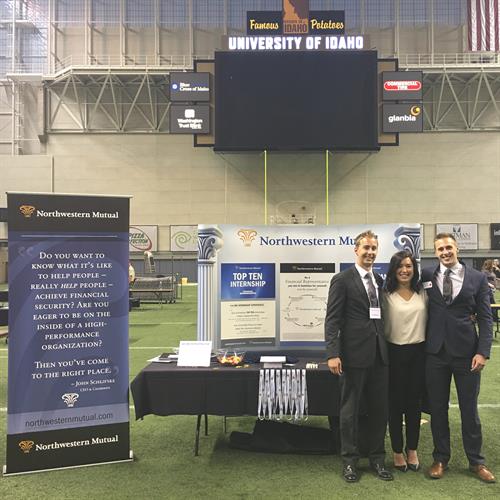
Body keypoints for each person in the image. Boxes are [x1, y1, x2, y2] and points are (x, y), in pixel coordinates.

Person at [422, 233, 495, 483]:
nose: (445, 252)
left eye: (448, 247)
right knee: (437, 409)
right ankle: (440, 458)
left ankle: (476, 461)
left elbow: (485, 317)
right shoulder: (426, 275)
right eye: (440, 249)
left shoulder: (477, 278)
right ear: (435, 252)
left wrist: (483, 352)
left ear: (457, 248)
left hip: (467, 354)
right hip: (435, 354)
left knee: (469, 410)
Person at [325, 230, 393, 483]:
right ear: (356, 250)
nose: (370, 252)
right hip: (353, 356)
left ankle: (377, 458)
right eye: (366, 248)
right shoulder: (342, 279)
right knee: (349, 412)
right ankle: (349, 461)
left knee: (379, 411)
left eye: (374, 248)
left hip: (380, 356)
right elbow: (332, 320)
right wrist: (333, 353)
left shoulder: (379, 279)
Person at [383, 251, 427, 473]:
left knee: (414, 405)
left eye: (409, 266)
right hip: (393, 354)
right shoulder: (385, 294)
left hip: (419, 353)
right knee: (395, 405)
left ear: (414, 269)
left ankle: (412, 450)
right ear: (393, 270)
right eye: (400, 266)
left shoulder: (423, 292)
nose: (404, 270)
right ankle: (397, 451)